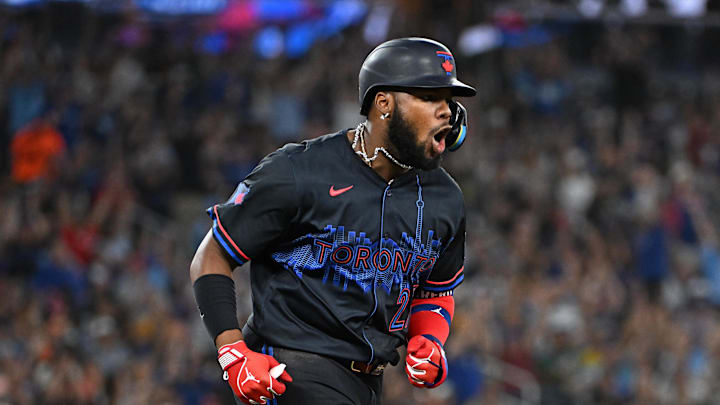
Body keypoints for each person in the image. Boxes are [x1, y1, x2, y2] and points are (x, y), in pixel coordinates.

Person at [190, 37, 476, 405]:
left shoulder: (445, 198)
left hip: (367, 383)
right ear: (383, 104)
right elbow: (212, 254)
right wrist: (232, 351)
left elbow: (436, 290)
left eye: (449, 101)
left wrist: (430, 339)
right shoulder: (298, 171)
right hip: (290, 369)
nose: (447, 112)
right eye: (429, 97)